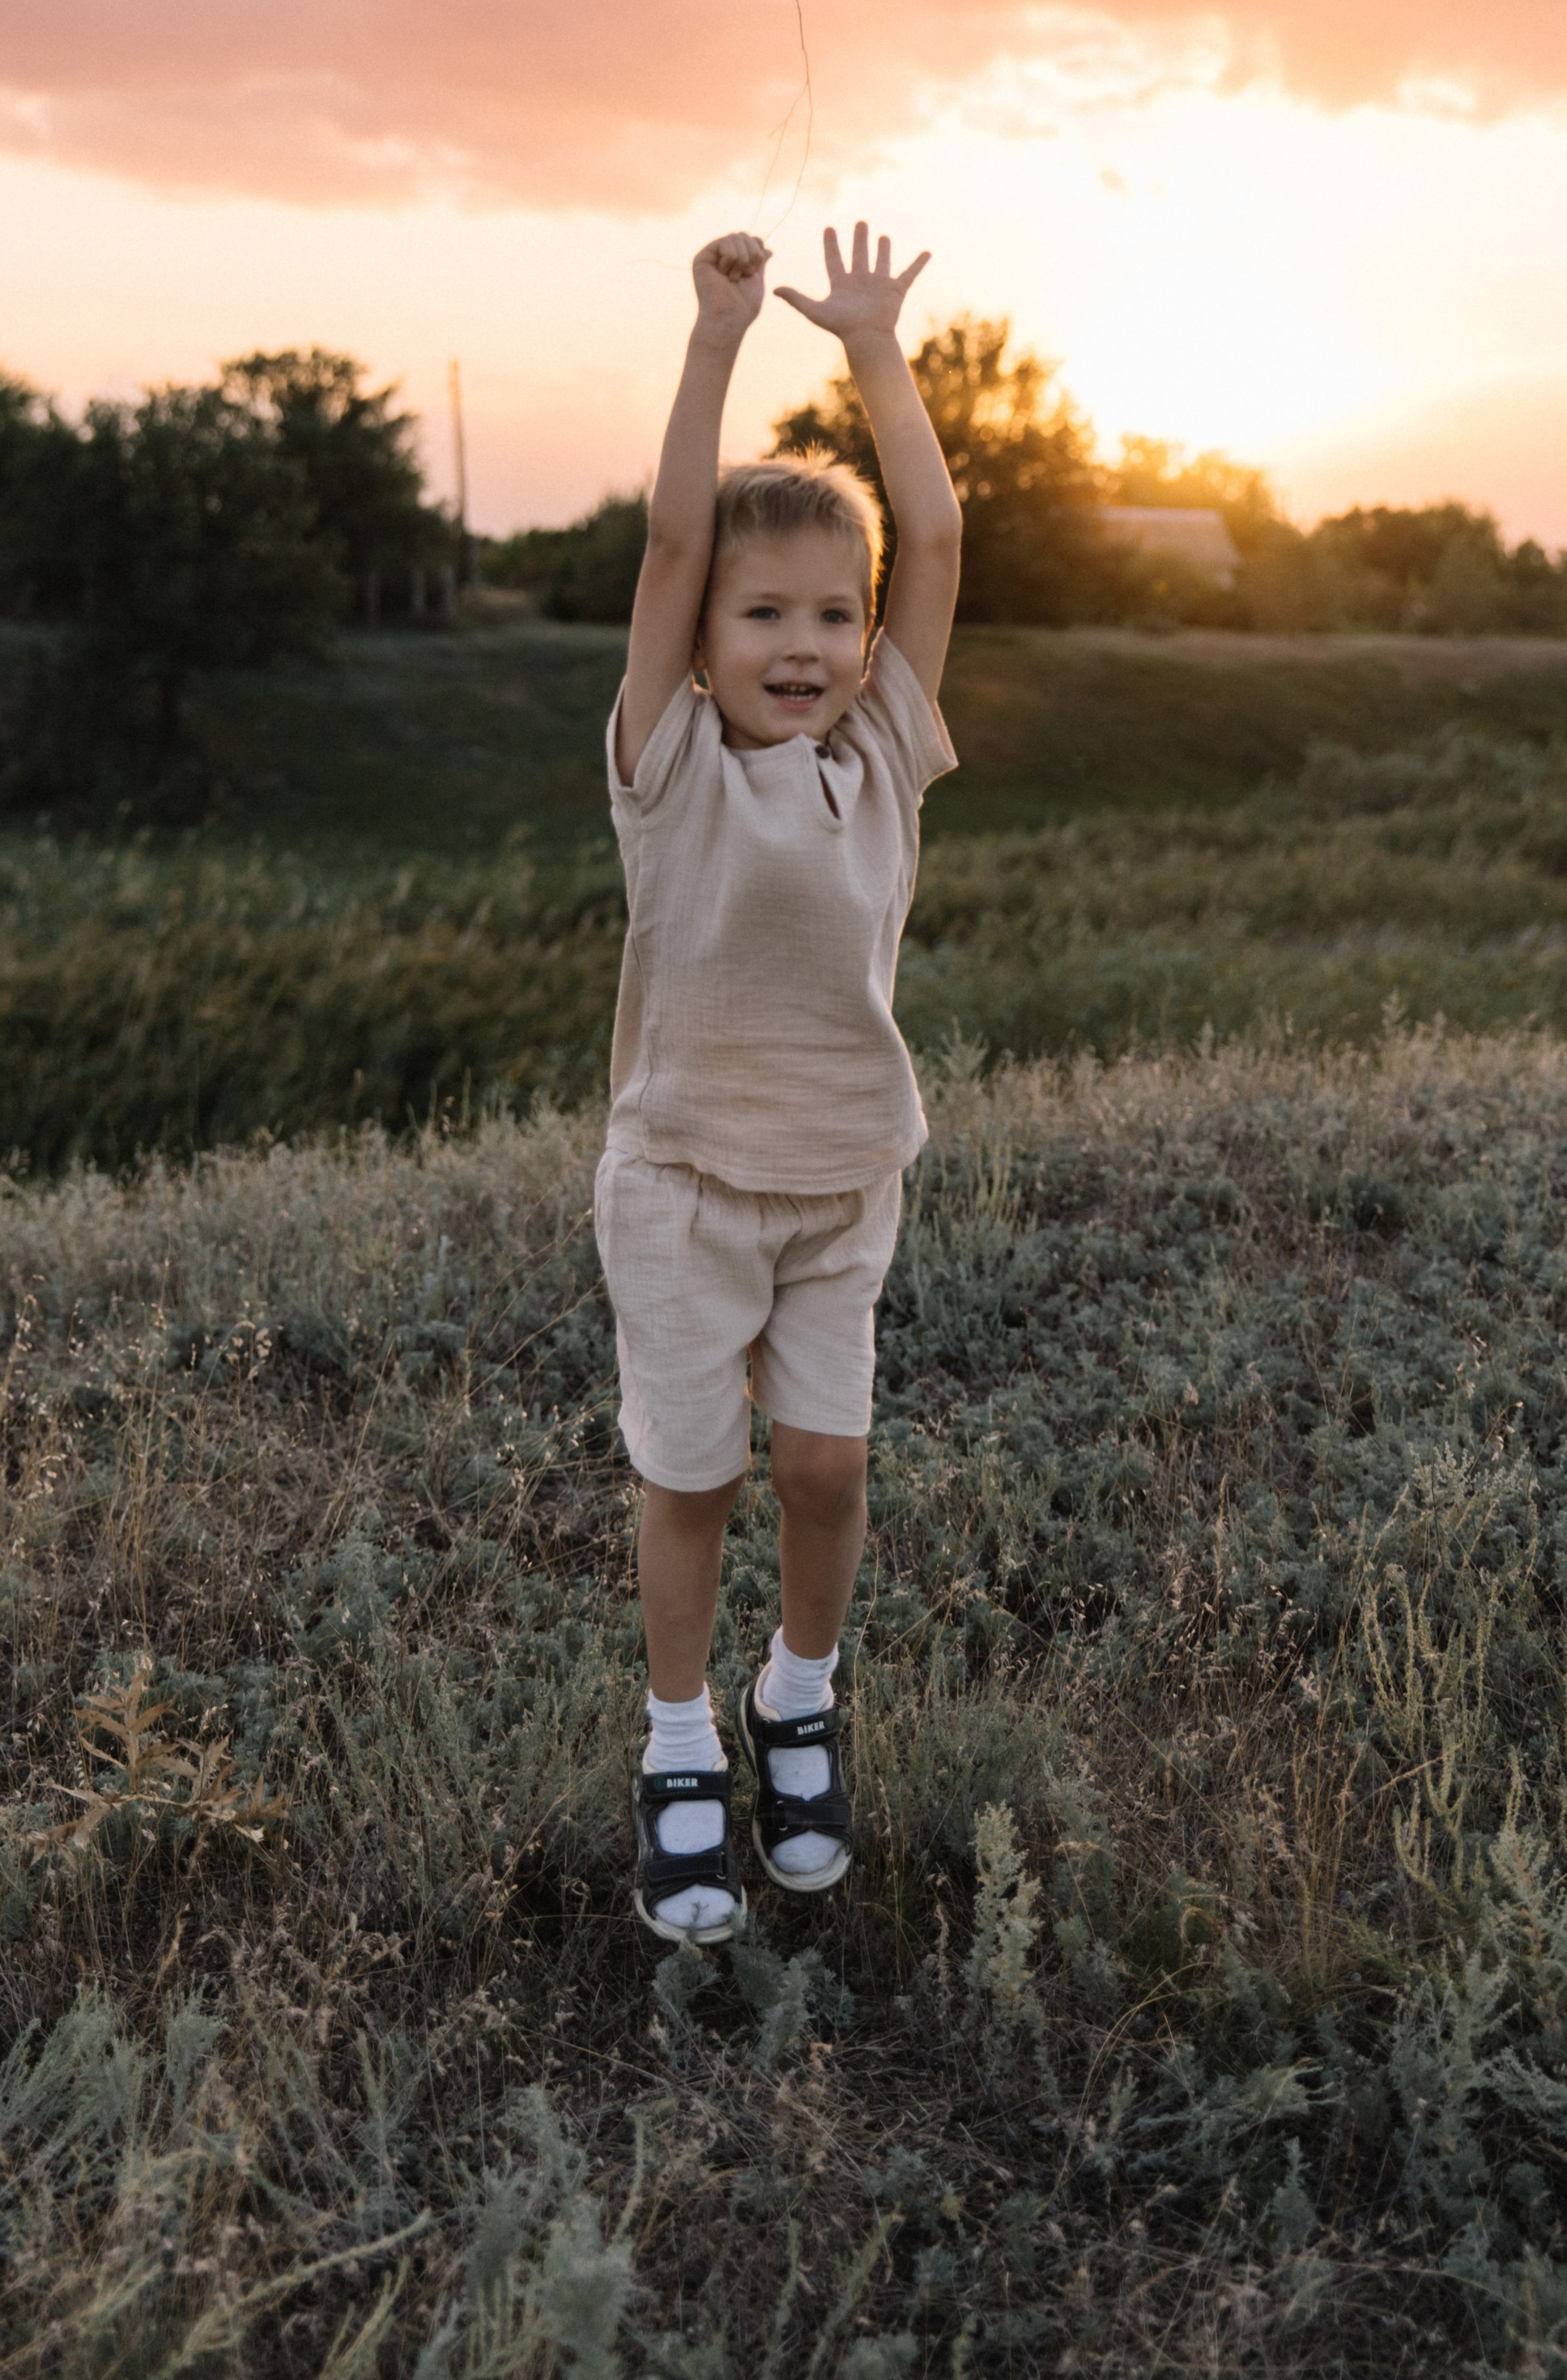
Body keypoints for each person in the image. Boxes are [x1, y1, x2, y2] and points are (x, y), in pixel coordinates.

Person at [596, 220, 962, 1942]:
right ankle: (679, 1749)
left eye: (833, 612)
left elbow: (940, 532)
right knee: (697, 1480)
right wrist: (717, 340)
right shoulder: (663, 764)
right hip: (679, 1181)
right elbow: (676, 530)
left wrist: (874, 348)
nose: (801, 642)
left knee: (823, 1469)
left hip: (843, 1180)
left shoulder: (882, 755)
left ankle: (792, 1699)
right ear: (700, 643)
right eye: (762, 615)